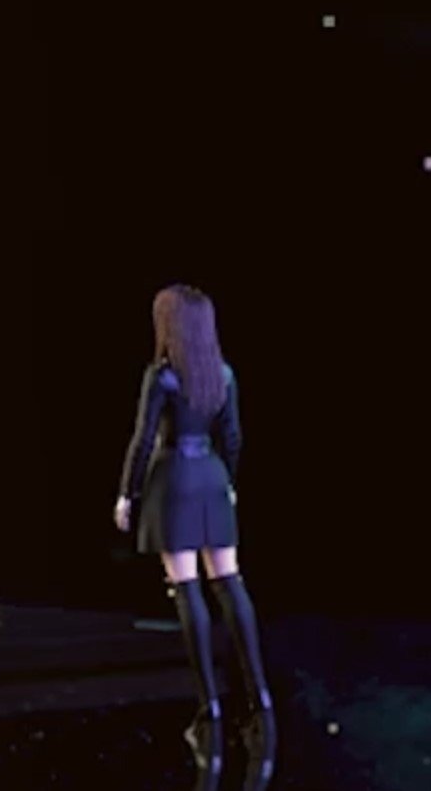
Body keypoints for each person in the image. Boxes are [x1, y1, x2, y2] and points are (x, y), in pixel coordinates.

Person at [114, 284, 274, 791]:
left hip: (175, 482)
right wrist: (229, 483)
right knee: (230, 582)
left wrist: (127, 494)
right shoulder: (223, 374)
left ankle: (211, 706)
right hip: (212, 477)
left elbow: (143, 439)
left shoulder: (161, 376)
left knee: (187, 589)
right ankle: (261, 696)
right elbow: (234, 438)